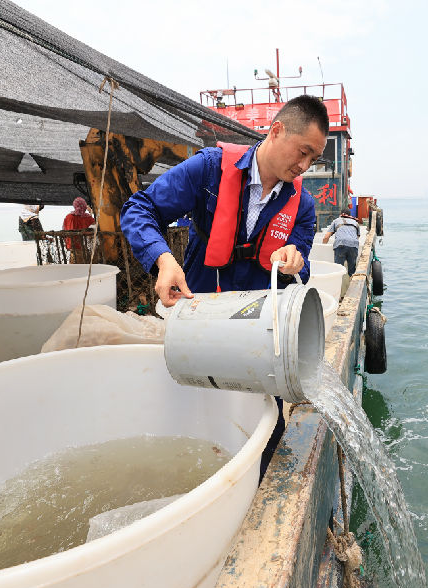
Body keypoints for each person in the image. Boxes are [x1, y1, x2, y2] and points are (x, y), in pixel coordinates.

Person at [120, 95, 329, 478]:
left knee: (263, 431)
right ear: (277, 129)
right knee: (197, 420)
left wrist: (297, 262)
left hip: (256, 337)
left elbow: (301, 272)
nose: (304, 166)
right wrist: (163, 260)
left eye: (313, 159)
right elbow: (138, 209)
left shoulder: (303, 207)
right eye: (303, 152)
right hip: (199, 319)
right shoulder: (209, 169)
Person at [322, 209, 360, 276]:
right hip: (354, 245)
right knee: (352, 271)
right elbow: (357, 237)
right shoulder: (355, 223)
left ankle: (338, 284)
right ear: (350, 215)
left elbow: (326, 237)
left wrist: (323, 246)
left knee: (338, 269)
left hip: (340, 244)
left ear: (341, 214)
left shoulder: (336, 221)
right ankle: (351, 283)